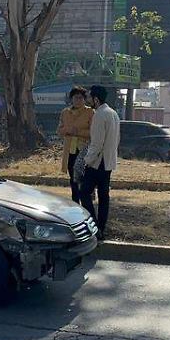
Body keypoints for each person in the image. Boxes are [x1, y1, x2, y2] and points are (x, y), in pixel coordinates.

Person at [81, 84, 120, 238]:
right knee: (104, 196)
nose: (87, 100)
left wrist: (87, 160)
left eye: (89, 97)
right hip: (109, 161)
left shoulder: (99, 115)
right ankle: (101, 228)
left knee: (83, 193)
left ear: (96, 99)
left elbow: (97, 143)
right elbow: (116, 139)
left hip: (97, 161)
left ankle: (94, 226)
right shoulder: (113, 113)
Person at [57, 86, 93, 205]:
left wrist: (77, 132)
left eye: (80, 98)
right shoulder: (65, 112)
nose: (78, 100)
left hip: (84, 150)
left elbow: (93, 132)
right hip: (70, 151)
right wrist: (67, 130)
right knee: (73, 180)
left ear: (84, 99)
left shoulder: (90, 112)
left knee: (83, 180)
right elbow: (59, 130)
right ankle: (75, 204)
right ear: (71, 99)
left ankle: (86, 204)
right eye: (75, 98)